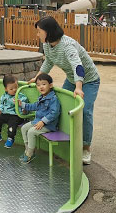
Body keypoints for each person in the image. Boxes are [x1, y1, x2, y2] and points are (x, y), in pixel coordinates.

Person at [29, 16, 100, 165]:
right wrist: (37, 78)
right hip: (71, 78)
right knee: (59, 104)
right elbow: (49, 60)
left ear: (48, 32)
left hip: (89, 80)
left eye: (39, 32)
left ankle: (85, 147)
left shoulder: (68, 45)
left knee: (84, 110)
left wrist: (78, 88)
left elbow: (77, 66)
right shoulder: (47, 44)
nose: (37, 35)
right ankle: (65, 140)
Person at [17, 73, 60, 164]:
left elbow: (54, 113)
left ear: (50, 85)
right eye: (38, 85)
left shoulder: (53, 99)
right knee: (24, 128)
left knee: (31, 132)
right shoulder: (42, 97)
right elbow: (34, 106)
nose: (41, 87)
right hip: (38, 122)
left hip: (48, 125)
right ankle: (28, 150)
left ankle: (29, 154)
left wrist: (43, 122)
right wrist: (22, 104)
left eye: (44, 84)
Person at [0, 75, 29, 149]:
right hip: (5, 114)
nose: (14, 90)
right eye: (11, 89)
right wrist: (0, 109)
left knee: (12, 124)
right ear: (6, 89)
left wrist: (23, 109)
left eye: (16, 87)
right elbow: (2, 104)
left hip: (16, 115)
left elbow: (25, 106)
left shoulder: (21, 97)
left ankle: (10, 138)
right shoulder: (4, 96)